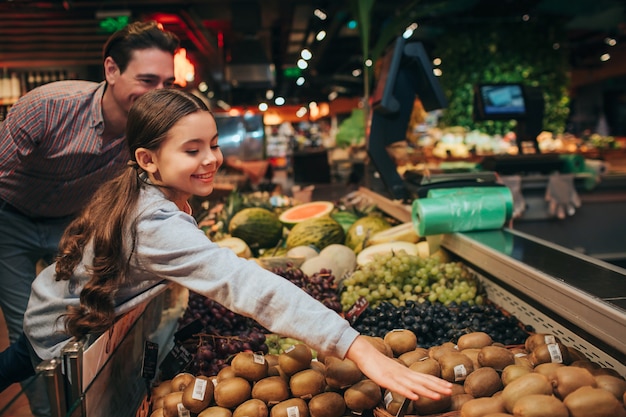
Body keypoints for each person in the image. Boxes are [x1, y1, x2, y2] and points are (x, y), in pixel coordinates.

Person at [0, 89, 453, 404]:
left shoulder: (146, 191)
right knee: (16, 364)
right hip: (61, 335)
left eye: (213, 145)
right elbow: (245, 283)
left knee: (13, 362)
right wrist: (356, 347)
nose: (212, 159)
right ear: (148, 159)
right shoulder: (154, 222)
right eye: (192, 150)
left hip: (58, 316)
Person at [0, 20, 179, 357]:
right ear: (112, 70)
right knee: (27, 335)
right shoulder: (47, 107)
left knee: (80, 323)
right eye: (147, 80)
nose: (159, 94)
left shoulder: (150, 132)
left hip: (72, 224)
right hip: (10, 221)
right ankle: (45, 411)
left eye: (166, 82)